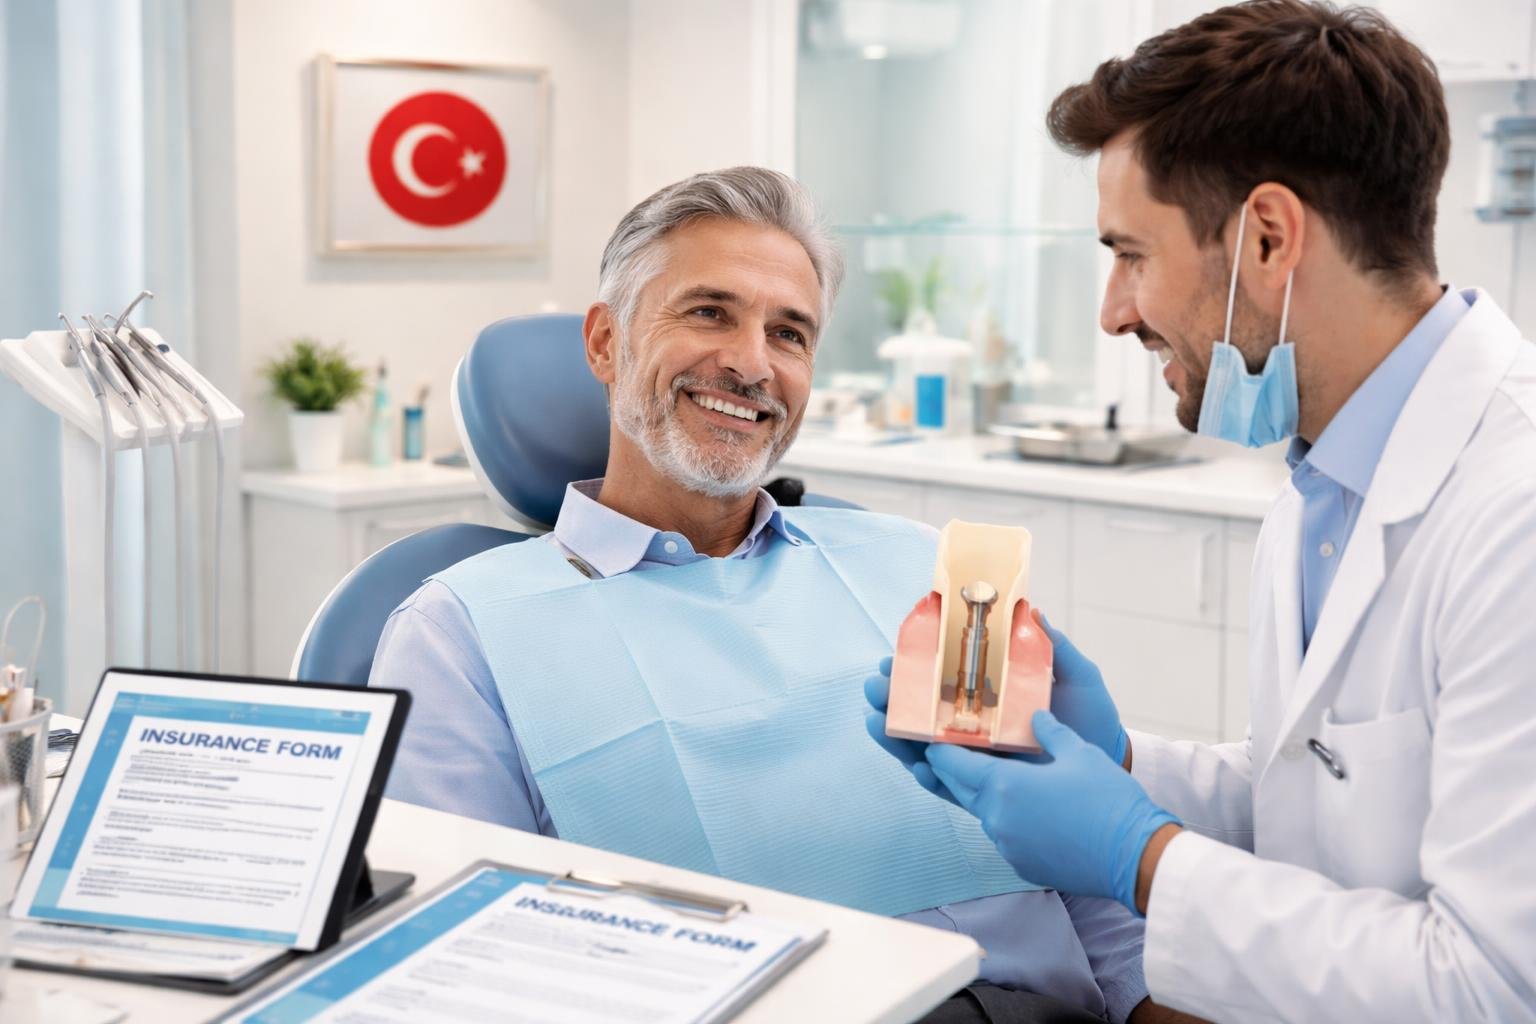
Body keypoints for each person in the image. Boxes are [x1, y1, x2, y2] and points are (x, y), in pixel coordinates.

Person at [370, 167, 1188, 1023]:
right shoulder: (460, 632)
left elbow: (1102, 910)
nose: (753, 363)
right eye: (709, 312)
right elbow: (453, 967)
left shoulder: (916, 566)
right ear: (607, 343)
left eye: (790, 333)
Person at [866, 2, 1536, 1020]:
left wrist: (1142, 859)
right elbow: (1325, 805)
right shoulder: (1324, 483)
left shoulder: (1513, 511)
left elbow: (1492, 987)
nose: (1114, 309)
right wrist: (1124, 763)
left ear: (1268, 237)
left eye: (1131, 253)